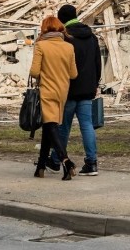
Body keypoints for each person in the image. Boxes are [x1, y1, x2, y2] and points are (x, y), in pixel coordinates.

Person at [45, 4, 102, 177]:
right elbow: (98, 63)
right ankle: (91, 163)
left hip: (68, 89)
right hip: (87, 89)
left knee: (63, 127)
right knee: (87, 125)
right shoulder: (91, 37)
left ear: (61, 19)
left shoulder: (65, 38)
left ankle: (56, 160)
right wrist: (94, 84)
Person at [30, 15, 79, 180]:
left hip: (47, 90)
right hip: (62, 91)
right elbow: (73, 74)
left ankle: (66, 161)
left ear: (44, 29)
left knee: (50, 126)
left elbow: (34, 72)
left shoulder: (41, 45)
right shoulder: (68, 47)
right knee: (48, 127)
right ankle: (41, 167)